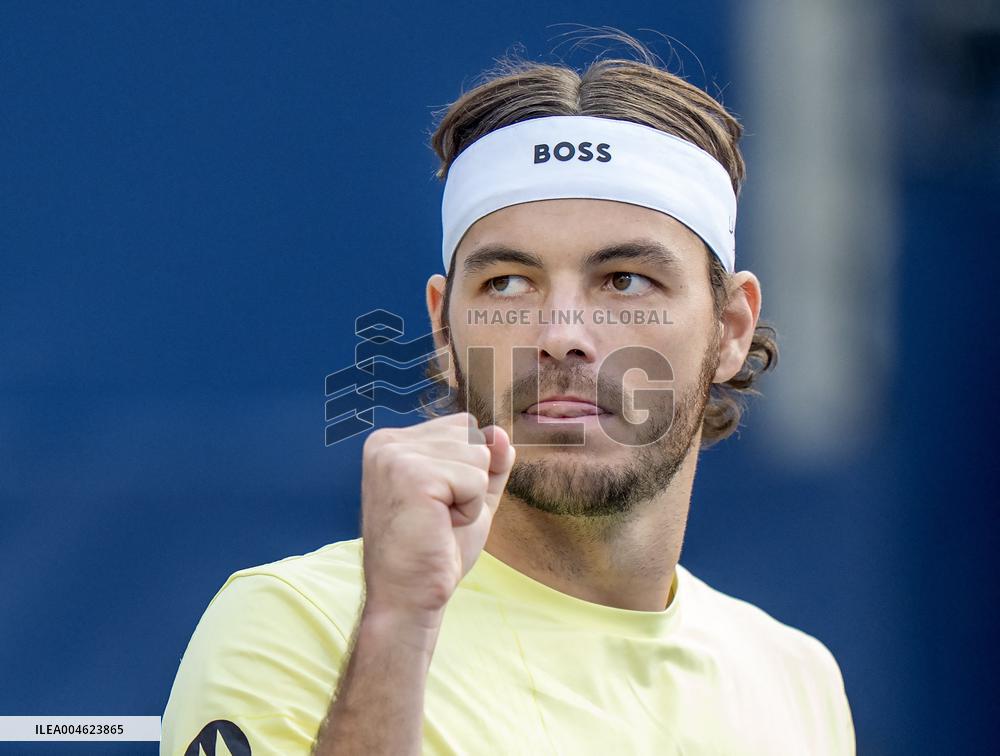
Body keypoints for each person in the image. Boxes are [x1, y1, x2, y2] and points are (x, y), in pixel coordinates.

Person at [161, 34, 856, 756]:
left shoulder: (796, 679)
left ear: (731, 328)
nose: (560, 333)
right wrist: (399, 632)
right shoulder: (293, 624)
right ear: (443, 328)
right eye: (509, 284)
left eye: (625, 280)